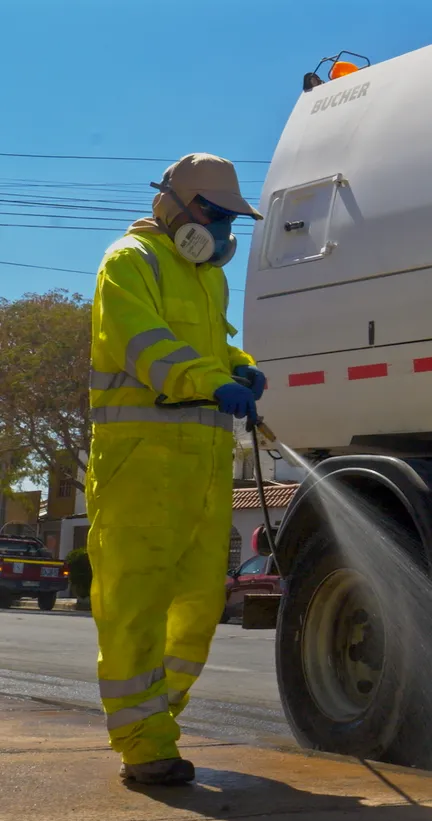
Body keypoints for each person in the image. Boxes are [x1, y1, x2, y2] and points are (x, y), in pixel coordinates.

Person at [87, 153, 266, 785]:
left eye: (227, 219)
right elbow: (143, 346)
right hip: (140, 468)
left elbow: (212, 343)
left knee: (195, 606)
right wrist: (212, 379)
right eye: (213, 214)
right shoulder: (128, 263)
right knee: (135, 602)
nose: (220, 230)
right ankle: (143, 745)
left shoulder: (206, 278)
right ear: (175, 205)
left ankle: (162, 722)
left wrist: (237, 364)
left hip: (205, 470)